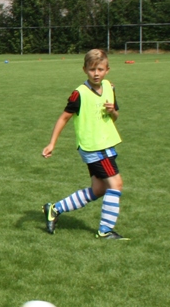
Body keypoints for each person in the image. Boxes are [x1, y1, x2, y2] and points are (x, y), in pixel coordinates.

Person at [41, 48, 127, 240]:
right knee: (116, 184)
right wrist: (52, 143)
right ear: (85, 70)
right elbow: (64, 118)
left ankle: (54, 209)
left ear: (107, 70)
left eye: (100, 69)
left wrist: (112, 111)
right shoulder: (79, 94)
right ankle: (105, 230)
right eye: (92, 69)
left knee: (99, 189)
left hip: (106, 144)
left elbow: (115, 117)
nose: (96, 73)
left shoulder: (109, 87)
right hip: (94, 147)